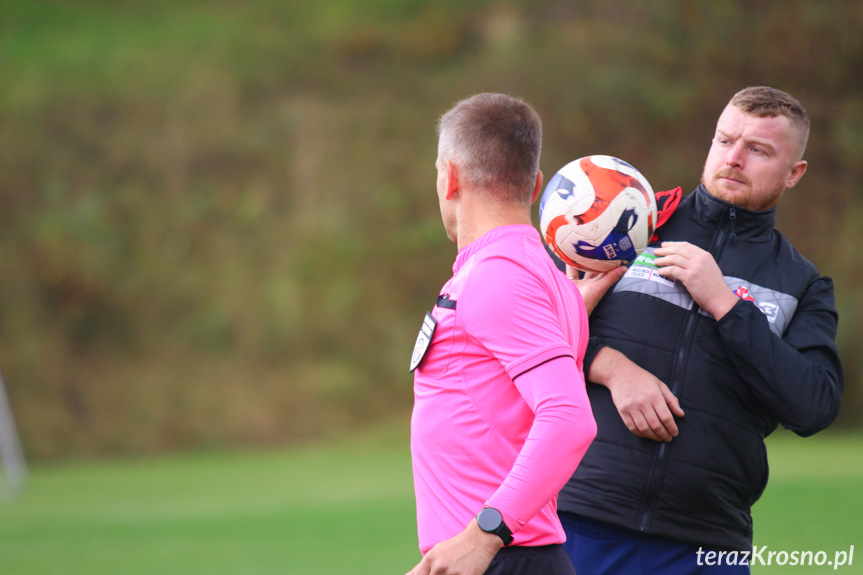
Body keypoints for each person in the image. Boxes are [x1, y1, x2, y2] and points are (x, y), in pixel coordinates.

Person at [557, 86, 844, 574]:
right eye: (725, 140)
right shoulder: (624, 229)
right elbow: (525, 337)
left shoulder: (803, 284)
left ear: (794, 172)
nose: (734, 159)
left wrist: (725, 304)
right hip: (581, 517)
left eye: (757, 150)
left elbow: (813, 406)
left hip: (708, 539)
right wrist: (613, 370)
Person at [407, 93, 599, 575]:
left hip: (503, 558)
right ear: (534, 185)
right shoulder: (548, 278)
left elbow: (569, 418)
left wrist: (482, 536)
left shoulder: (499, 276)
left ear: (449, 176)